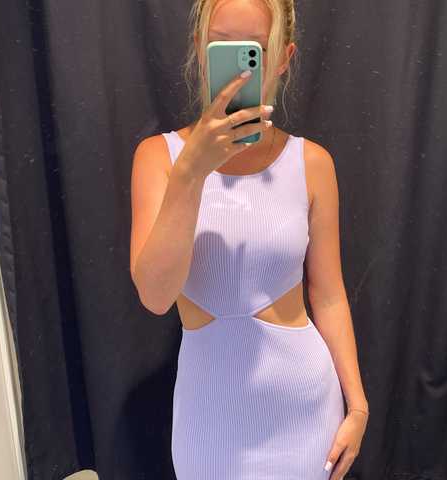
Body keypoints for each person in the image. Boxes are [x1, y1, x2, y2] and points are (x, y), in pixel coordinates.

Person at [130, 0, 369, 478]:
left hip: (304, 410)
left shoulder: (312, 163)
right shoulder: (159, 158)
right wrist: (192, 171)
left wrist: (357, 405)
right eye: (221, 45)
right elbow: (155, 296)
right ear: (200, 50)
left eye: (254, 50)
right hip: (208, 416)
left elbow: (329, 296)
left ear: (282, 58)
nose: (238, 65)